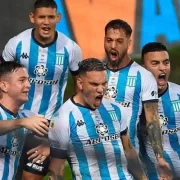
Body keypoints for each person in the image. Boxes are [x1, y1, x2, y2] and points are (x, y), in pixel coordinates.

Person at [0, 0, 82, 179]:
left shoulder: (71, 48)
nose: (46, 22)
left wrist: (64, 120)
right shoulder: (16, 43)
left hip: (44, 128)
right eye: (42, 17)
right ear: (32, 17)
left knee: (30, 177)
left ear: (58, 18)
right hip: (14, 122)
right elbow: (2, 78)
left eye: (51, 17)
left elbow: (80, 84)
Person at [47, 58, 147, 180]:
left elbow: (129, 152)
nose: (101, 89)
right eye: (94, 84)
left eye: (104, 83)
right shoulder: (62, 118)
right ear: (80, 83)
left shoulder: (116, 109)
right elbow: (56, 171)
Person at [104, 19, 172, 179]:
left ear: (129, 43)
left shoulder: (144, 76)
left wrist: (160, 159)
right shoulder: (95, 74)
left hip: (129, 161)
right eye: (109, 40)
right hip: (96, 159)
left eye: (119, 41)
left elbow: (152, 120)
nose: (113, 46)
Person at [0, 61, 49, 180]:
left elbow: (64, 131)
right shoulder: (24, 120)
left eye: (28, 80)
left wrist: (48, 145)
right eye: (21, 80)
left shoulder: (27, 115)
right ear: (4, 86)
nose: (28, 85)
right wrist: (20, 122)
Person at [139, 42, 180, 179]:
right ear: (144, 69)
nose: (162, 68)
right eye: (155, 63)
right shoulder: (134, 103)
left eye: (166, 63)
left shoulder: (178, 94)